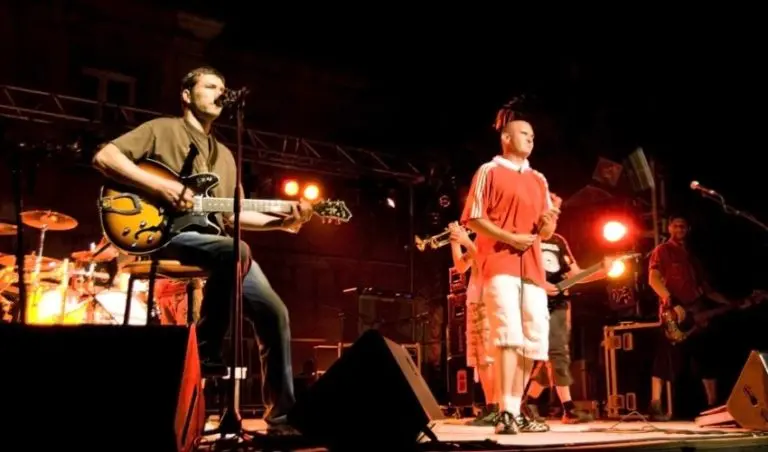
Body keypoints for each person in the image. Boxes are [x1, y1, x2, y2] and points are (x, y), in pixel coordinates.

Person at [92, 66, 311, 433]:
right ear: (186, 94)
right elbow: (105, 157)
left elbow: (232, 217)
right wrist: (161, 188)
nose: (218, 93)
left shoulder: (225, 155)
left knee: (275, 313)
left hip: (218, 245)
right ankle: (208, 347)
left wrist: (283, 222)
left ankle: (282, 416)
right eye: (210, 86)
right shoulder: (162, 129)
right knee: (236, 250)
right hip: (163, 235)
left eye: (222, 88)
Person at [460, 106, 559, 434]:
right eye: (524, 134)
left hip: (533, 270)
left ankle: (514, 410)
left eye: (532, 135)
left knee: (533, 341)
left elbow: (546, 232)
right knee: (507, 335)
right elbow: (473, 218)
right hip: (499, 264)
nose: (530, 139)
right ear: (506, 137)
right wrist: (509, 238)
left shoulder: (539, 179)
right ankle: (504, 410)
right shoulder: (488, 171)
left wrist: (547, 223)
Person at [524, 220, 613, 424]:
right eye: (551, 214)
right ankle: (560, 407)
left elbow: (575, 275)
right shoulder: (526, 237)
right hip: (532, 299)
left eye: (557, 217)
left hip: (559, 302)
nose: (554, 220)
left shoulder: (559, 241)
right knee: (548, 354)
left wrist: (602, 270)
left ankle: (537, 403)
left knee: (556, 354)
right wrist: (540, 284)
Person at [647, 214, 730, 420]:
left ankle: (712, 405)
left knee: (704, 357)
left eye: (683, 226)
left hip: (695, 314)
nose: (679, 229)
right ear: (669, 228)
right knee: (665, 358)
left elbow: (706, 290)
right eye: (676, 225)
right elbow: (653, 279)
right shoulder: (662, 251)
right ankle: (655, 404)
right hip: (673, 313)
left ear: (688, 229)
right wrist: (669, 300)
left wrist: (730, 302)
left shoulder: (693, 258)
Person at [447, 221, 498, 425]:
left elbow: (487, 263)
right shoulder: (478, 238)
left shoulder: (496, 236)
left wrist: (466, 241)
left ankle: (497, 407)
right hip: (475, 299)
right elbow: (461, 266)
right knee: (480, 359)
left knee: (489, 357)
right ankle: (490, 406)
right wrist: (455, 242)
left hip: (489, 298)